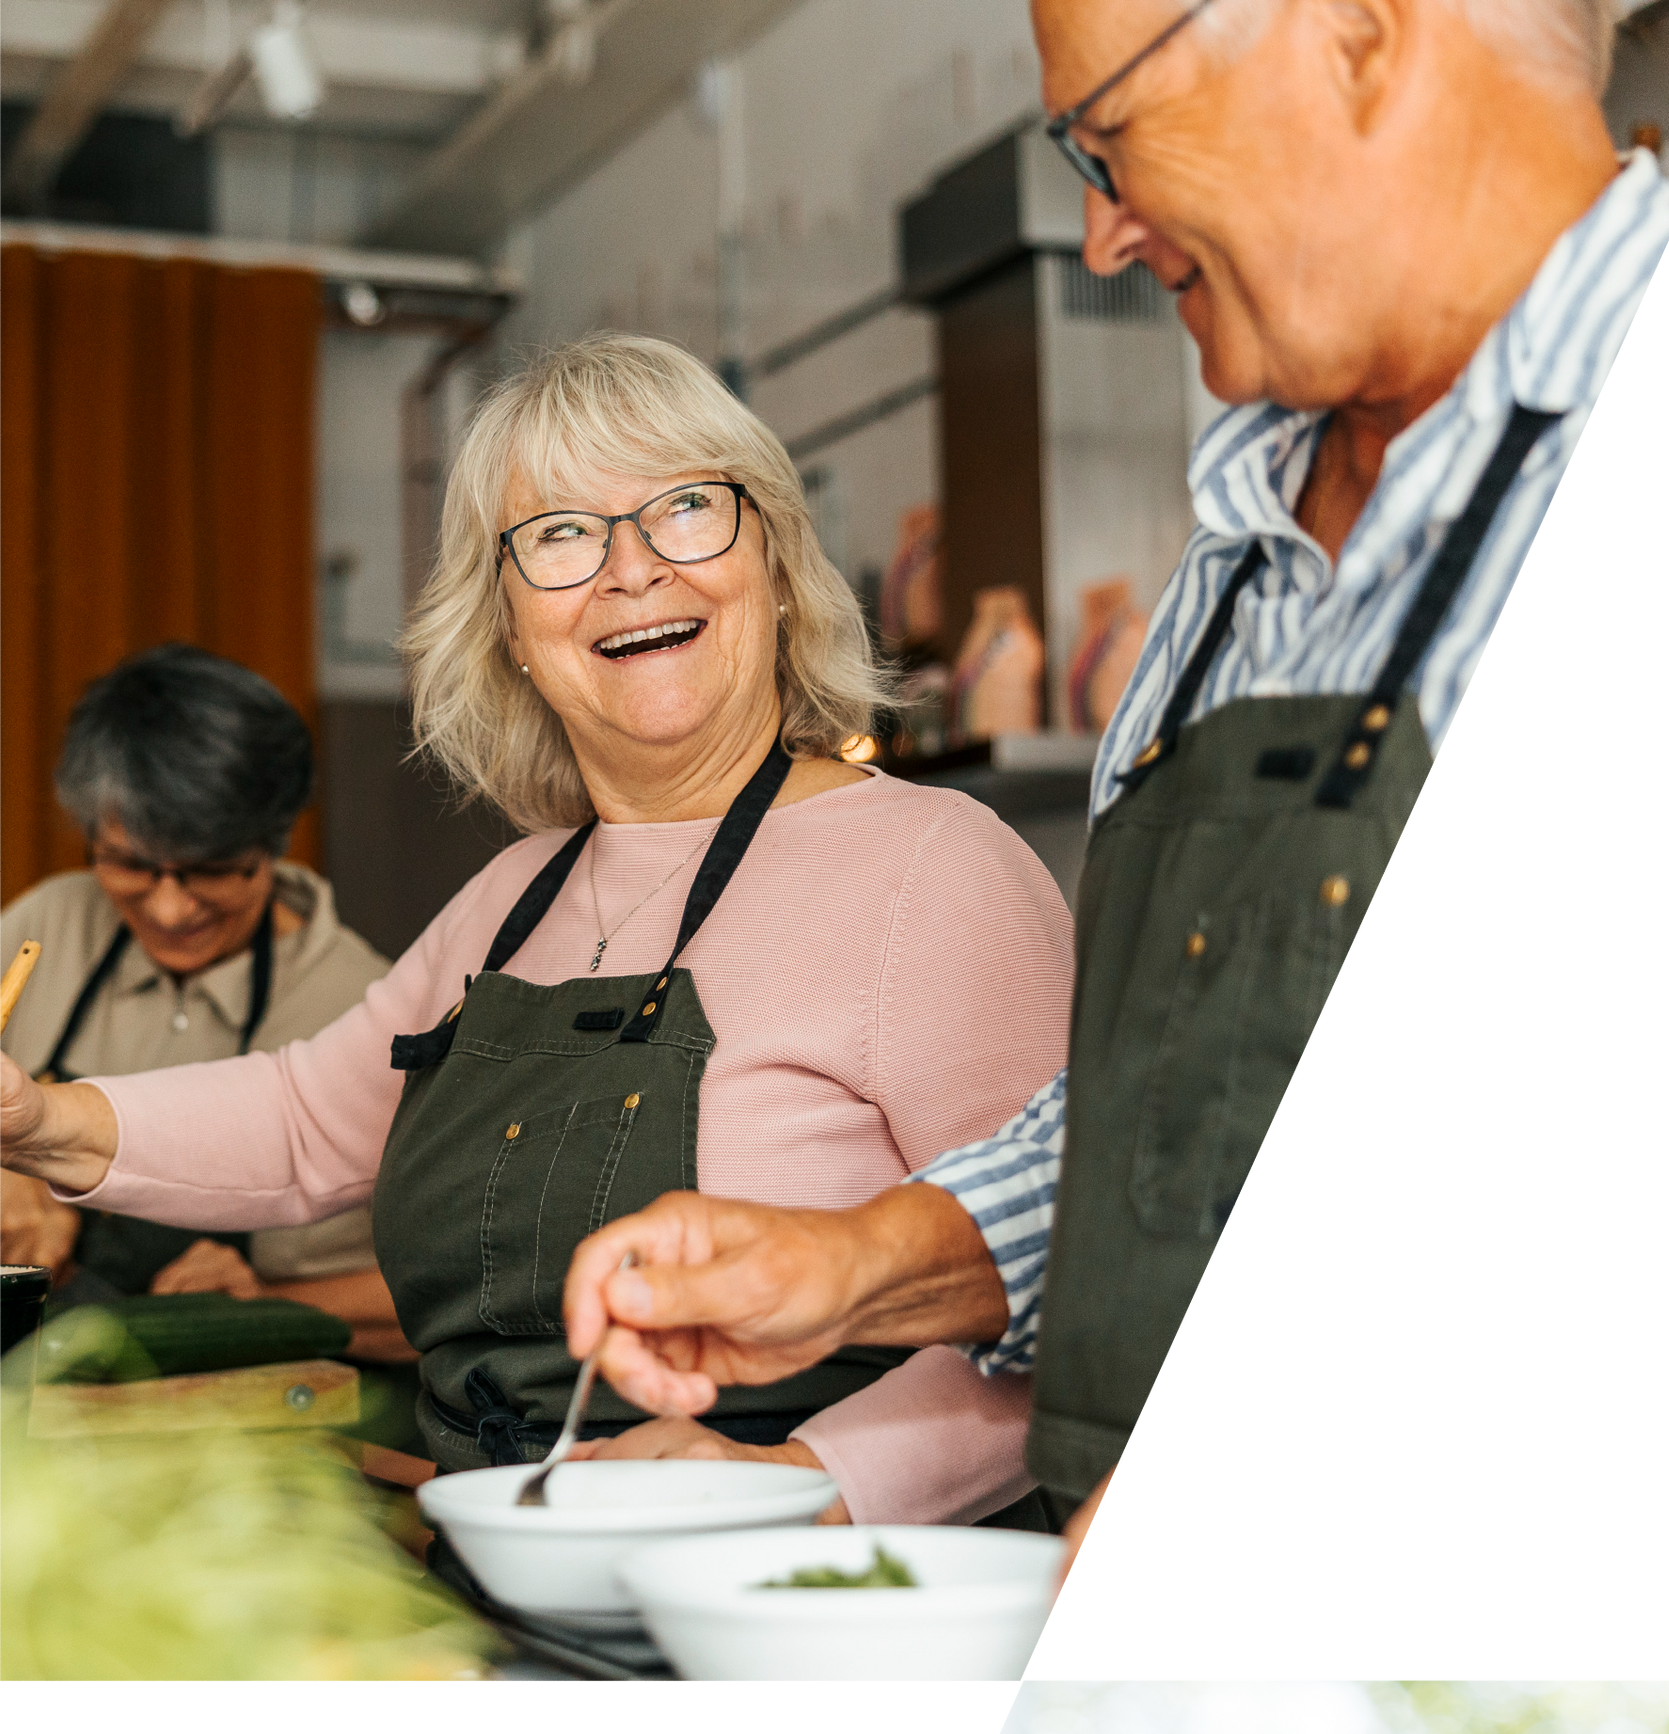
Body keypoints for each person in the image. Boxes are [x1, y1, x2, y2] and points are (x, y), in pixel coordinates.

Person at [556, 0, 1669, 1553]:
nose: (1099, 236)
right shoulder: (1234, 565)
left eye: (1110, 137)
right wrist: (860, 1264)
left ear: (1360, 35)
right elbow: (1167, 1118)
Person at [0, 338, 1072, 1515]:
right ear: (509, 623)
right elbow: (308, 1121)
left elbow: (1075, 1289)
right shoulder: (515, 897)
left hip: (810, 1595)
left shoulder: (939, 868)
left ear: (771, 564)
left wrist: (797, 1484)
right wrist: (39, 1119)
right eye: (560, 534)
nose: (630, 569)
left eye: (684, 510)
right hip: (505, 1559)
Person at [0, 645, 408, 1365]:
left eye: (211, 869)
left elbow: (462, 1296)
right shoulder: (47, 926)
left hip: (273, 1416)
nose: (168, 906)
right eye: (129, 864)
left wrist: (268, 1305)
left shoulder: (366, 1003)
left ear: (273, 842)